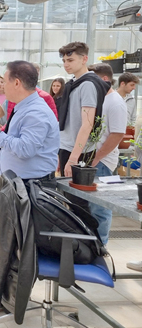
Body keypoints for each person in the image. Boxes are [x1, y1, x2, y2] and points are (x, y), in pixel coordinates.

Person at [0, 60, 59, 316]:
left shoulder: (37, 112)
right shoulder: (23, 107)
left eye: (5, 81)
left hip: (27, 190)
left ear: (16, 82)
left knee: (11, 249)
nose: (2, 86)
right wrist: (0, 134)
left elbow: (26, 149)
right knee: (0, 245)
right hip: (15, 185)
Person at [58, 42, 110, 214]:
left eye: (70, 60)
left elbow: (87, 124)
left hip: (79, 151)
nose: (66, 64)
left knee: (78, 204)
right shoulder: (74, 82)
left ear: (84, 59)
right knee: (70, 201)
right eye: (64, 60)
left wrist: (73, 158)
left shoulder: (88, 84)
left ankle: (85, 241)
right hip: (68, 147)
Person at [87, 63, 127, 245]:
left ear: (104, 80)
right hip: (92, 160)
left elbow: (117, 134)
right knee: (90, 207)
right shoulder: (100, 99)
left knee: (100, 208)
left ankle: (100, 247)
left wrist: (97, 158)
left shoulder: (116, 102)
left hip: (102, 162)